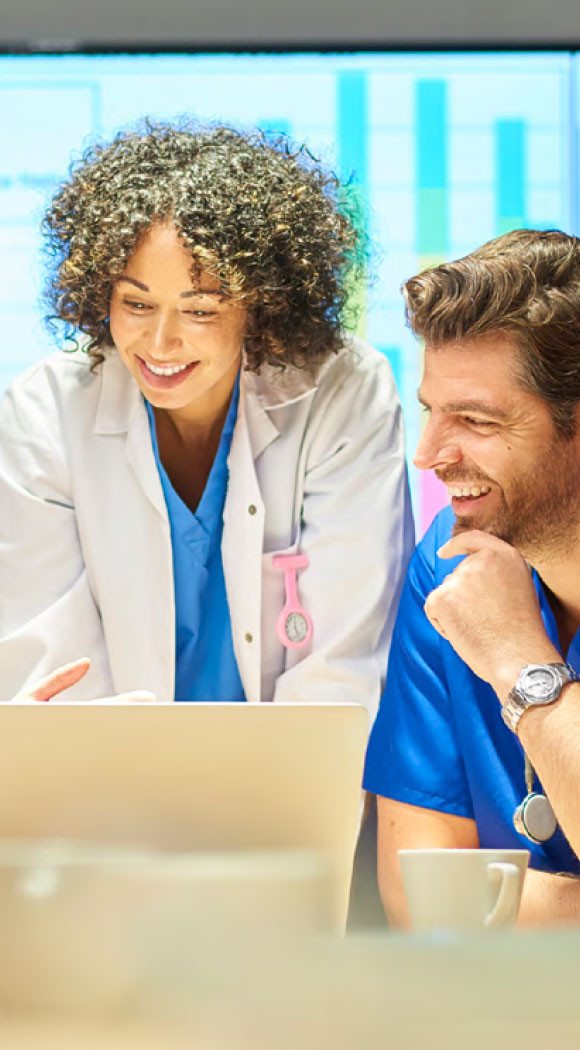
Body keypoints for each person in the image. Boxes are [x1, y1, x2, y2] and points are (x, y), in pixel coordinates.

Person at [0, 121, 413, 715]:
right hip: (107, 790)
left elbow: (338, 672)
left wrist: (287, 800)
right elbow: (59, 681)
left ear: (262, 303)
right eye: (136, 304)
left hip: (292, 785)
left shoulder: (342, 391)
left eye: (199, 311)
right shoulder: (46, 412)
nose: (160, 342)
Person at [364, 228, 580, 927]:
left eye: (476, 420)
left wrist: (520, 660)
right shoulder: (447, 566)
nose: (429, 455)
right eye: (431, 411)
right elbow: (418, 902)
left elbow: (464, 912)